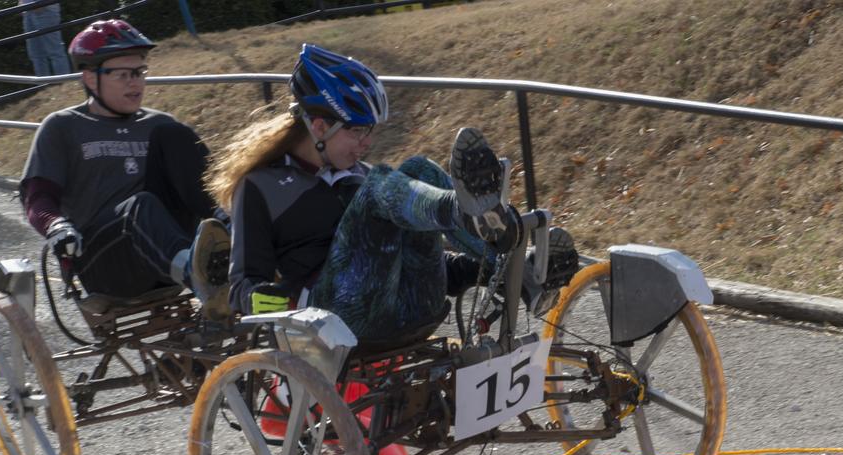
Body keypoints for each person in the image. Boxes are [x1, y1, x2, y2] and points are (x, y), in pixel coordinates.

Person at [203, 43, 577, 340]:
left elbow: (407, 260)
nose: (366, 142)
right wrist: (273, 300)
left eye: (370, 132)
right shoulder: (261, 187)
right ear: (319, 127)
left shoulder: (361, 176)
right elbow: (242, 288)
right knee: (385, 186)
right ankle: (475, 219)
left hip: (411, 311)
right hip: (332, 320)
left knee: (416, 169)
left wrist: (472, 271)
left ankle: (515, 268)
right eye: (357, 131)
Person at [19, 19, 229, 306]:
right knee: (139, 206)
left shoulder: (158, 124)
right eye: (123, 74)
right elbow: (37, 198)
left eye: (140, 72)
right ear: (91, 78)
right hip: (105, 263)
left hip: (168, 249)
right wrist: (56, 226)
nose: (136, 82)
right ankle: (202, 279)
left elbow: (203, 182)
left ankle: (232, 247)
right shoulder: (62, 126)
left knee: (174, 134)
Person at [18, 0, 72, 77]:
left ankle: (63, 82)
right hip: (29, 11)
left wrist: (42, 5)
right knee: (36, 54)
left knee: (54, 52)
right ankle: (45, 85)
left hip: (45, 10)